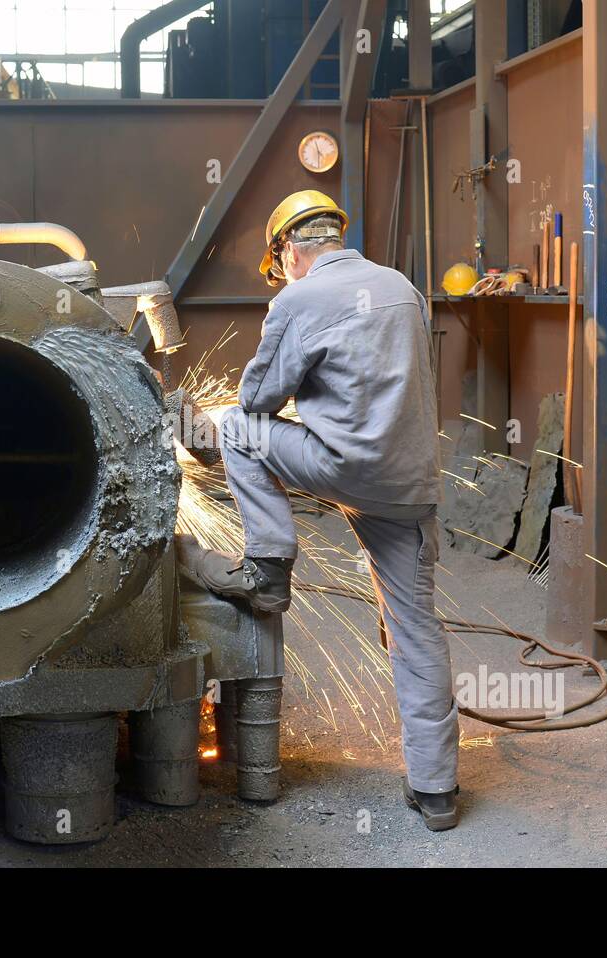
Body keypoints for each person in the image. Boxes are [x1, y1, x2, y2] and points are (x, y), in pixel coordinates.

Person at [179, 189, 460, 830]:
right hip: (410, 485)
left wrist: (200, 436)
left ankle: (270, 564)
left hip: (343, 469)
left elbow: (256, 396)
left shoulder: (297, 298)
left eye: (280, 264)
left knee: (235, 428)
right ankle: (437, 790)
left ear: (289, 252)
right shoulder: (402, 288)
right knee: (418, 632)